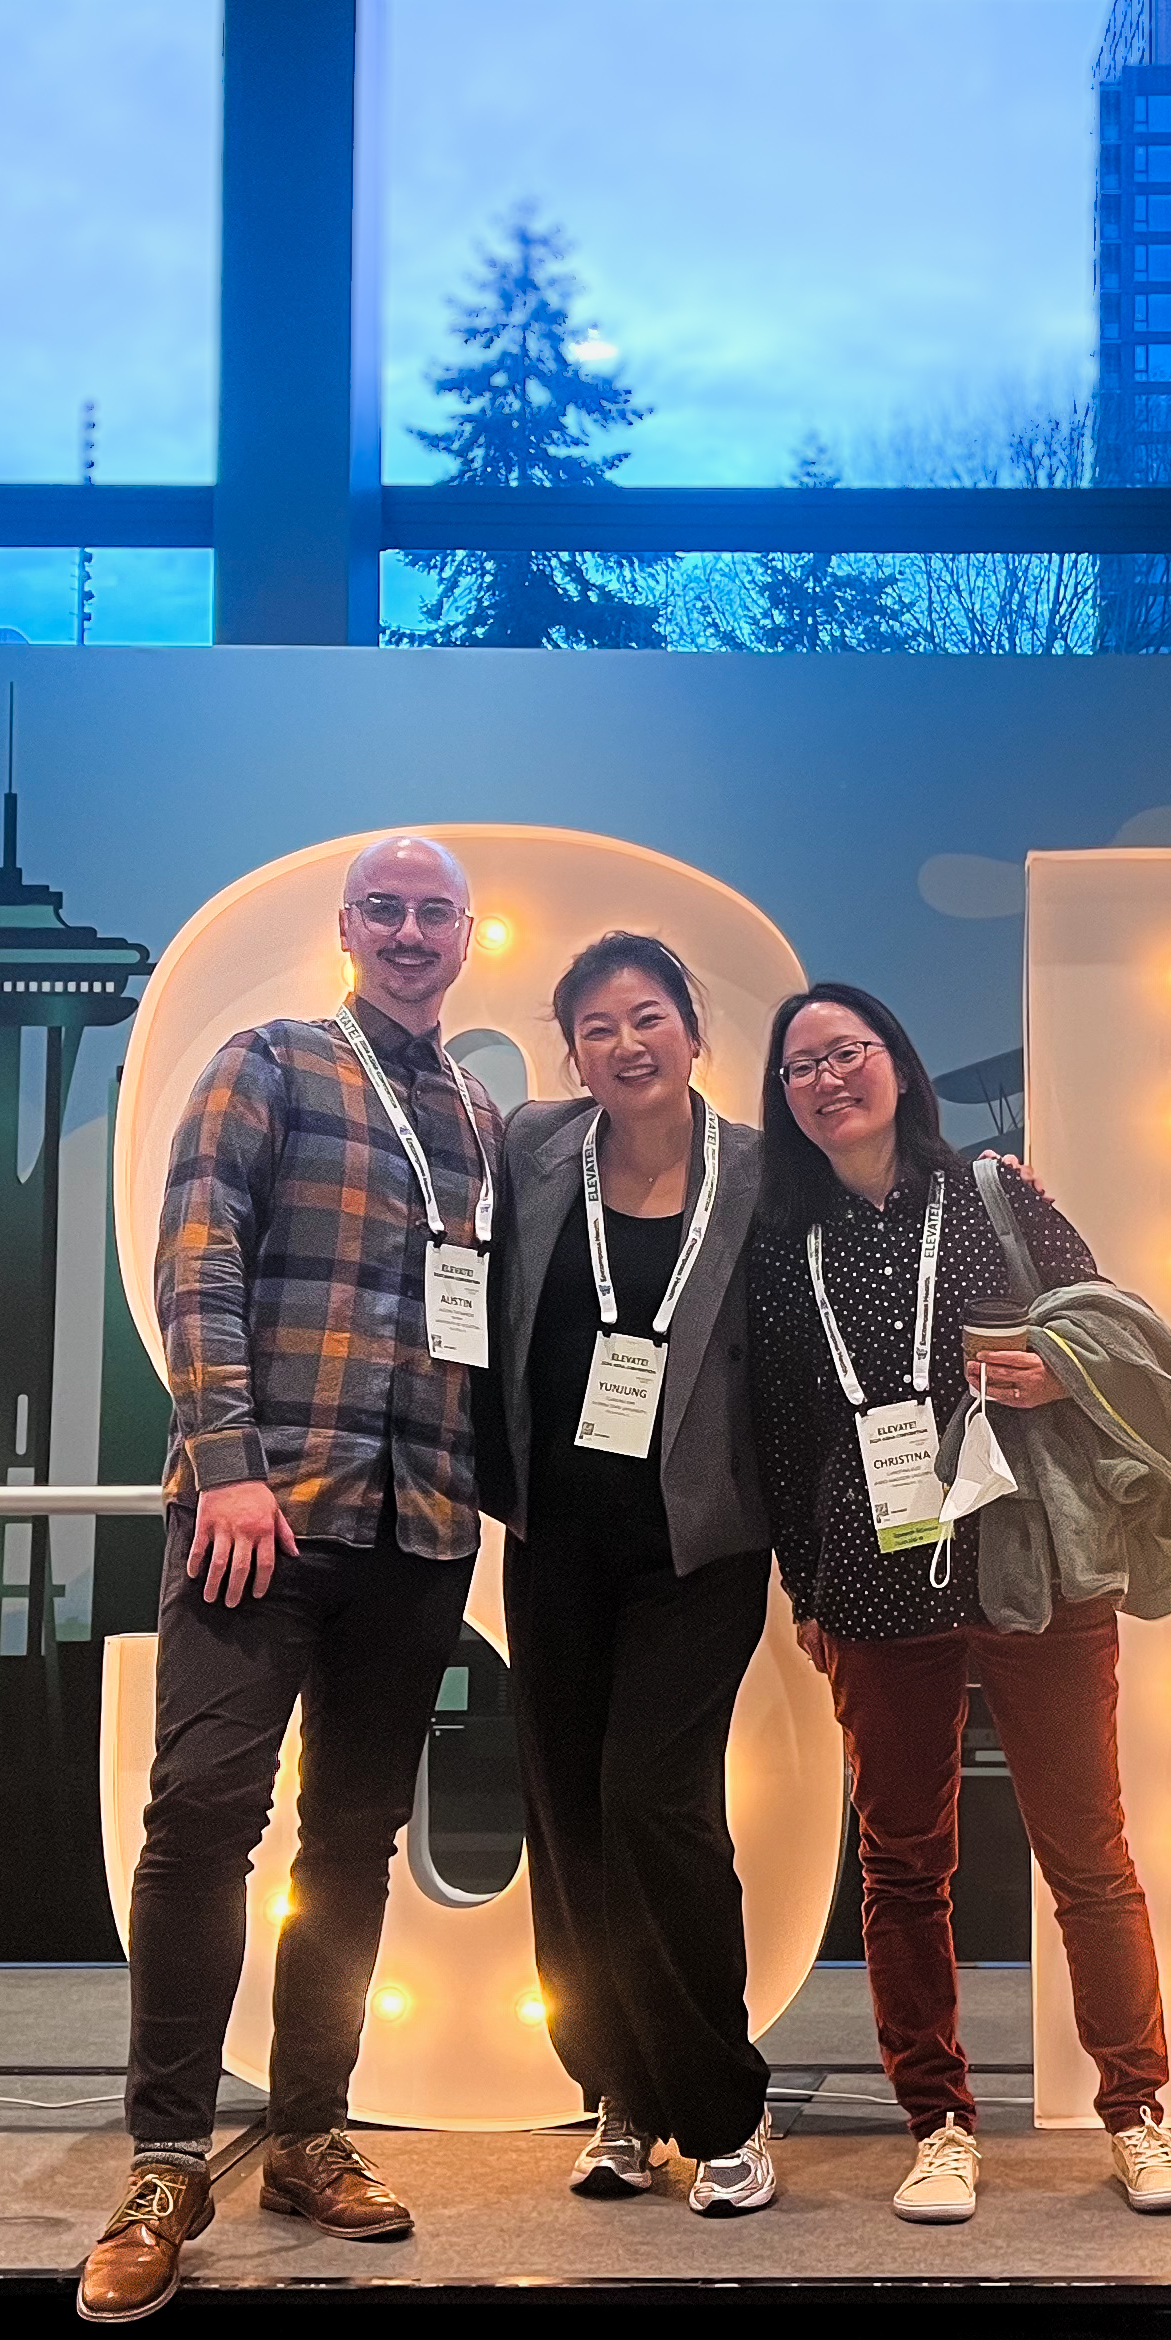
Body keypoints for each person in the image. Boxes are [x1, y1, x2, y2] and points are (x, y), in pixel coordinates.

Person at [79, 831, 506, 2324]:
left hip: (418, 1527)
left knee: (354, 1839)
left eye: (431, 913)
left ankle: (311, 2134)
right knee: (202, 1817)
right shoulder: (266, 1060)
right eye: (382, 910)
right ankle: (165, 2159)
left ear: (467, 936)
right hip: (258, 1514)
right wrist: (231, 1459)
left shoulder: (480, 1117)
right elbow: (193, 1257)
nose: (406, 932)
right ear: (347, 928)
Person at [745, 981, 1171, 2227]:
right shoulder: (779, 1245)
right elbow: (787, 1437)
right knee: (903, 1863)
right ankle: (938, 2121)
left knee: (1087, 1850)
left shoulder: (997, 1189)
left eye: (848, 1053)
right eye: (801, 1069)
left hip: (1030, 1560)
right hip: (873, 1571)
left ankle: (1137, 2113)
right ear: (781, 1103)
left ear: (897, 1063)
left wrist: (1058, 1368)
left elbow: (1110, 1326)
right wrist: (806, 1586)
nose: (829, 1080)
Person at [485, 933, 781, 2216]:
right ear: (571, 1052)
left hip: (700, 1546)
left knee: (654, 1802)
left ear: (694, 1032)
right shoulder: (533, 1150)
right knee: (565, 1813)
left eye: (648, 1016)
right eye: (597, 1026)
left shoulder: (766, 1174)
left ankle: (721, 2114)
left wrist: (984, 1177)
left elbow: (887, 1203)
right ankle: (617, 2093)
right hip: (556, 1542)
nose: (626, 1044)